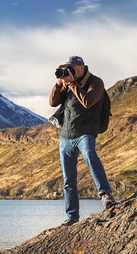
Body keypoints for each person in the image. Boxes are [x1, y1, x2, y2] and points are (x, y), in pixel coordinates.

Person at [48, 55, 118, 225]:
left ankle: (106, 196)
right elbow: (52, 103)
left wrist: (72, 84)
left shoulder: (96, 82)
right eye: (67, 68)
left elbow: (88, 101)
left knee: (90, 155)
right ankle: (72, 217)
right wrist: (59, 85)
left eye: (72, 67)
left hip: (86, 131)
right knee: (68, 179)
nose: (69, 70)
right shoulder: (66, 83)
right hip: (66, 134)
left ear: (82, 67)